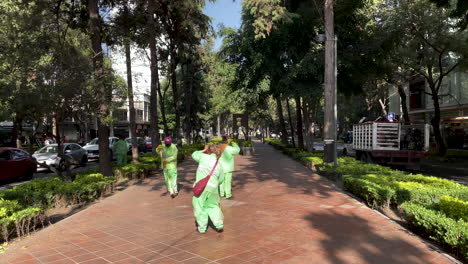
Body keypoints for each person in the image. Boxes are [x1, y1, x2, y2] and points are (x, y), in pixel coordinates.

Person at [192, 144, 224, 233]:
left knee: (199, 206)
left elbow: (194, 154)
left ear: (208, 151)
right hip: (213, 188)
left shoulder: (202, 157)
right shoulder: (218, 164)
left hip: (201, 188)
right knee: (213, 206)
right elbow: (221, 179)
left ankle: (202, 228)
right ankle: (219, 224)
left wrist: (203, 150)